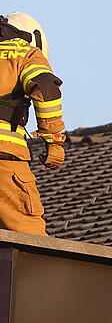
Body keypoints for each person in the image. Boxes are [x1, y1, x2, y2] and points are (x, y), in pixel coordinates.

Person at [0, 13, 65, 236]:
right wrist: (54, 141)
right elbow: (46, 87)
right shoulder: (24, 52)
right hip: (4, 160)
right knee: (29, 239)